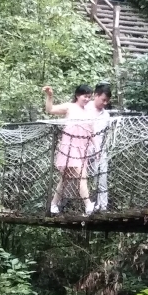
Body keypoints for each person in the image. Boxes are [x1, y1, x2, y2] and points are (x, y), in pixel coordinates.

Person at [43, 84, 94, 214]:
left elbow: (91, 131)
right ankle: (88, 205)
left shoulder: (88, 112)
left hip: (82, 149)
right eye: (84, 96)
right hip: (70, 147)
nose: (87, 99)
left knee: (65, 179)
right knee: (81, 176)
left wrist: (95, 147)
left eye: (89, 97)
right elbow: (50, 109)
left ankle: (53, 204)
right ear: (77, 95)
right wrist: (50, 96)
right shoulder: (70, 107)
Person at [87, 82, 112, 212]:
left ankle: (102, 207)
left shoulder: (106, 116)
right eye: (103, 100)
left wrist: (102, 150)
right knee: (75, 179)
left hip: (99, 151)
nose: (105, 103)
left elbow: (105, 136)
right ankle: (60, 206)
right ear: (96, 95)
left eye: (107, 101)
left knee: (102, 179)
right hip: (82, 150)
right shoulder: (84, 108)